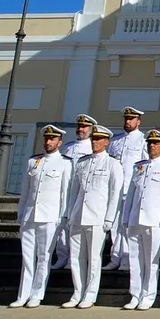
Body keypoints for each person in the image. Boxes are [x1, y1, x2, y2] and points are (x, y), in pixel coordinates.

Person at [11, 125, 73, 309]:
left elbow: (65, 193)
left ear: (59, 142)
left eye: (52, 139)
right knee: (27, 258)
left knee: (44, 257)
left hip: (50, 216)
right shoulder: (33, 161)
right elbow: (25, 190)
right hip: (30, 215)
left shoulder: (65, 163)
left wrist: (63, 217)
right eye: (46, 138)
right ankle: (23, 295)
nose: (48, 142)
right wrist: (21, 212)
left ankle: (37, 294)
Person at [63, 125, 123, 309]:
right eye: (93, 139)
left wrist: (109, 218)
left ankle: (90, 294)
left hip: (97, 216)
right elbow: (74, 191)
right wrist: (69, 214)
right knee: (76, 257)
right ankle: (77, 293)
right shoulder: (82, 162)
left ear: (106, 142)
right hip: (78, 215)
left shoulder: (112, 164)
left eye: (98, 139)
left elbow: (115, 194)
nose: (94, 142)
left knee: (94, 258)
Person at [121, 129, 160, 311]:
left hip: (154, 219)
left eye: (156, 143)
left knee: (151, 261)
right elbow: (131, 194)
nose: (152, 146)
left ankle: (148, 295)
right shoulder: (139, 167)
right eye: (150, 143)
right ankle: (135, 294)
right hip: (135, 218)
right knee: (135, 259)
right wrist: (126, 216)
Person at [106, 106, 149, 271]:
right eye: (126, 118)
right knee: (114, 226)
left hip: (131, 189)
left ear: (138, 121)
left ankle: (126, 259)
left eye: (131, 119)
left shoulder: (143, 140)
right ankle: (115, 258)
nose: (128, 121)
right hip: (114, 188)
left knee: (128, 226)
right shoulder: (115, 141)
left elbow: (145, 165)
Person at [52, 115, 95, 270]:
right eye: (79, 126)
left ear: (90, 129)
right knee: (62, 224)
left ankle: (74, 258)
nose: (80, 129)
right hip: (66, 189)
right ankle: (62, 256)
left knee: (77, 226)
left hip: (82, 191)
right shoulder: (68, 147)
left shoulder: (91, 147)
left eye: (84, 127)